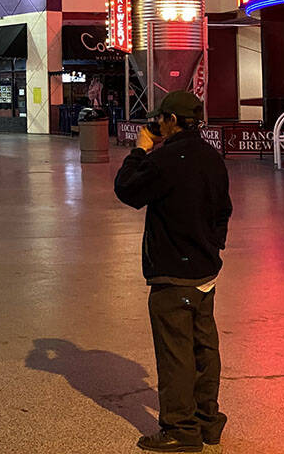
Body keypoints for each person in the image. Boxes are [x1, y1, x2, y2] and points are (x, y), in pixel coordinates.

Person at [113, 91, 232, 453]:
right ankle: (209, 420)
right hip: (204, 270)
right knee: (203, 347)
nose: (157, 123)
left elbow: (127, 190)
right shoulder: (212, 157)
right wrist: (212, 247)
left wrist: (138, 150)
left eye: (161, 118)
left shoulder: (166, 159)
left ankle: (181, 428)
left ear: (171, 121)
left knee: (176, 353)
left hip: (172, 272)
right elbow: (223, 210)